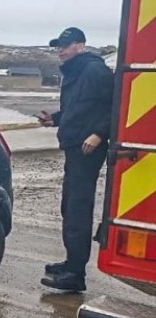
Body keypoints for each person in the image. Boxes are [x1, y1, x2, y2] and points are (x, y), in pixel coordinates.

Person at [38, 27, 114, 292]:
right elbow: (80, 107)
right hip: (74, 145)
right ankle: (72, 262)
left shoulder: (94, 71)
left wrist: (98, 134)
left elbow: (116, 106)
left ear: (81, 46)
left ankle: (75, 274)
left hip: (88, 148)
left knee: (77, 208)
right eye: (59, 45)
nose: (61, 49)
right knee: (69, 205)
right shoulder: (76, 72)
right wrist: (56, 119)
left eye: (66, 45)